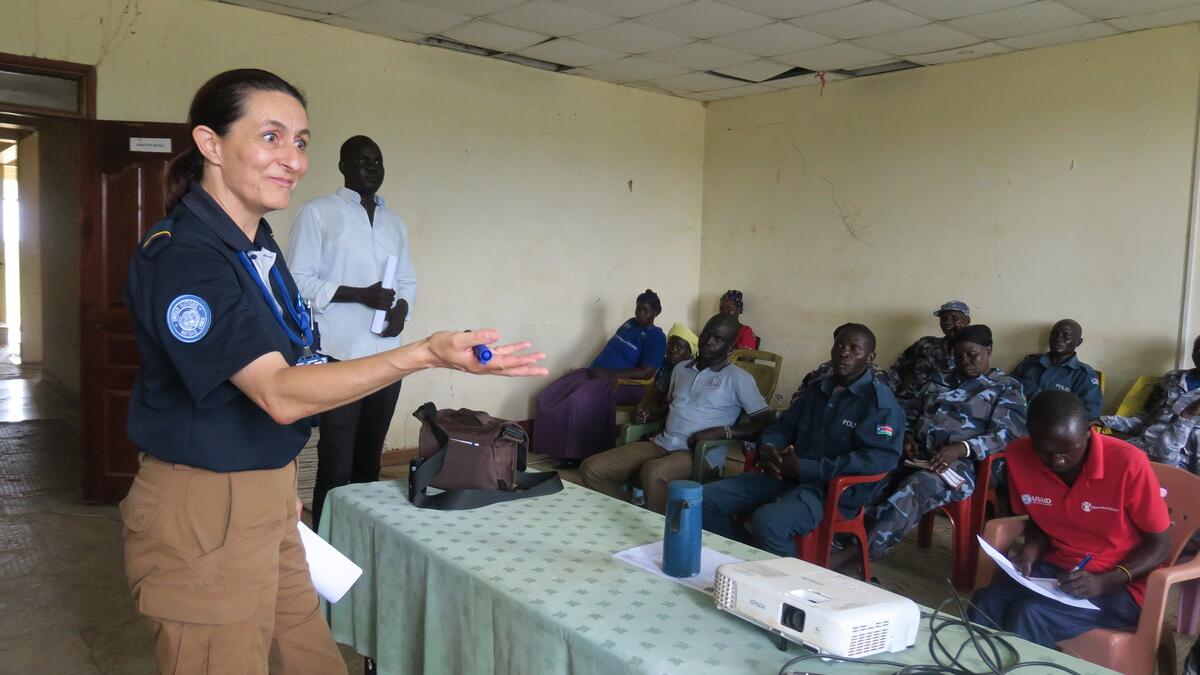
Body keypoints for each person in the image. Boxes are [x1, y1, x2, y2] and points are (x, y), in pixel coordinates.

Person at [119, 69, 546, 675]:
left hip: (267, 494)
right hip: (205, 507)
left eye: (300, 141)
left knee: (313, 655)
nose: (291, 159)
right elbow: (276, 393)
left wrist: (279, 486)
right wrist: (422, 353)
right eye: (271, 137)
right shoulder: (185, 256)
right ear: (210, 144)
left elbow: (297, 353)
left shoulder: (258, 245)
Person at [969, 391, 1171, 648]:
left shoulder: (1128, 463)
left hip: (1123, 583)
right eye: (1045, 451)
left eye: (1066, 450)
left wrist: (1107, 581)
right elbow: (1040, 521)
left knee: (1030, 615)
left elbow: (1161, 544)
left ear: (1088, 430)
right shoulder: (1019, 457)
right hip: (1057, 571)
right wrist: (1029, 552)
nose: (1056, 461)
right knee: (986, 601)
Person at [287, 134, 419, 528]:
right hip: (339, 355)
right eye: (363, 161)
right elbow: (298, 281)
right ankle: (327, 538)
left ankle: (363, 535)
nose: (372, 169)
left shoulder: (394, 222)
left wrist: (403, 310)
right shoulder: (319, 213)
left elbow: (408, 279)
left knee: (370, 457)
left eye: (377, 162)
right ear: (344, 167)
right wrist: (359, 295)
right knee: (336, 458)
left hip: (385, 356)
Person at [837, 324, 1027, 575]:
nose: (965, 361)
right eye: (958, 356)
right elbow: (909, 411)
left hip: (966, 466)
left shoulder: (1005, 387)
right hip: (919, 453)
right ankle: (841, 535)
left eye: (973, 355)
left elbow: (1007, 435)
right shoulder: (940, 378)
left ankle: (858, 554)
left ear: (988, 350)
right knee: (875, 469)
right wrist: (904, 435)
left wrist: (961, 448)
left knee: (916, 486)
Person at [701, 324, 904, 556]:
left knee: (768, 523)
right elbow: (783, 426)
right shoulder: (818, 389)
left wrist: (806, 467)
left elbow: (879, 459)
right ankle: (749, 557)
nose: (844, 352)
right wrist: (769, 447)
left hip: (829, 490)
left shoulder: (879, 403)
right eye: (839, 345)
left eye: (854, 349)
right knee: (702, 500)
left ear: (870, 358)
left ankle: (789, 583)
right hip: (785, 474)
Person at [580, 314, 769, 513]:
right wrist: (649, 416)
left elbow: (763, 422)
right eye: (706, 334)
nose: (708, 341)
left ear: (730, 348)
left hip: (701, 453)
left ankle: (665, 534)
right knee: (592, 469)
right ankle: (633, 515)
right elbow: (671, 409)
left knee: (653, 473)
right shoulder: (680, 369)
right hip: (662, 443)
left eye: (718, 339)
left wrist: (723, 432)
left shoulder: (738, 378)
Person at [532, 290, 666, 468]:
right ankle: (553, 449)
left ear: (655, 313)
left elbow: (646, 372)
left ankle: (577, 456)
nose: (640, 313)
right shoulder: (629, 324)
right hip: (594, 375)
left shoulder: (656, 337)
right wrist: (598, 372)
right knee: (548, 395)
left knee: (578, 400)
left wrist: (607, 374)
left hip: (623, 385)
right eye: (638, 308)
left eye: (646, 310)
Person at [1101, 335, 1200, 475]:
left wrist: (1187, 415)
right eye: (1198, 349)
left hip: (1176, 466)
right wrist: (1105, 420)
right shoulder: (1173, 378)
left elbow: (1169, 458)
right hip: (1141, 447)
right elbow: (1143, 419)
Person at [1010, 319, 1102, 421]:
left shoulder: (1083, 375)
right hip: (1013, 420)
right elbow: (1007, 387)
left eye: (1066, 335)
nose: (1058, 338)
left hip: (1050, 428)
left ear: (1079, 342)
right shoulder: (1030, 362)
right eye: (1054, 334)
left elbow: (1089, 413)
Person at [886, 300, 971, 410]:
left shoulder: (973, 354)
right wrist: (888, 397)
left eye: (954, 318)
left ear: (967, 321)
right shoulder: (926, 344)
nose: (948, 323)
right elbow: (897, 369)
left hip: (939, 416)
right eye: (943, 319)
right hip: (904, 407)